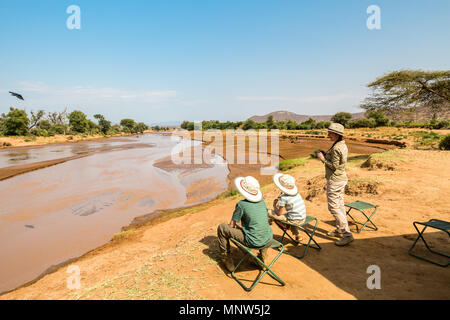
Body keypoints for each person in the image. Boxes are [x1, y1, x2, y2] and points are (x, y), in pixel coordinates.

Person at [217, 176, 273, 272]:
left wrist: (238, 228)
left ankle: (225, 258)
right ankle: (262, 256)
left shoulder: (241, 204)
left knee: (222, 227)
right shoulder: (262, 202)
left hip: (253, 242)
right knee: (260, 229)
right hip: (268, 240)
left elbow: (231, 225)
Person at [316, 123, 354, 246]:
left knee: (333, 207)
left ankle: (347, 234)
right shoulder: (341, 144)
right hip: (341, 179)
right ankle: (339, 229)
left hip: (335, 180)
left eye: (330, 133)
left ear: (337, 134)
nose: (328, 135)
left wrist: (322, 158)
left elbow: (335, 166)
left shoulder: (337, 147)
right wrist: (327, 155)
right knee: (339, 205)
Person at [268, 173, 307, 242]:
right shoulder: (296, 192)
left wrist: (274, 205)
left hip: (293, 221)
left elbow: (279, 213)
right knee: (291, 214)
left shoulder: (284, 198)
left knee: (269, 212)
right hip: (302, 218)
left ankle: (285, 225)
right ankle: (297, 235)